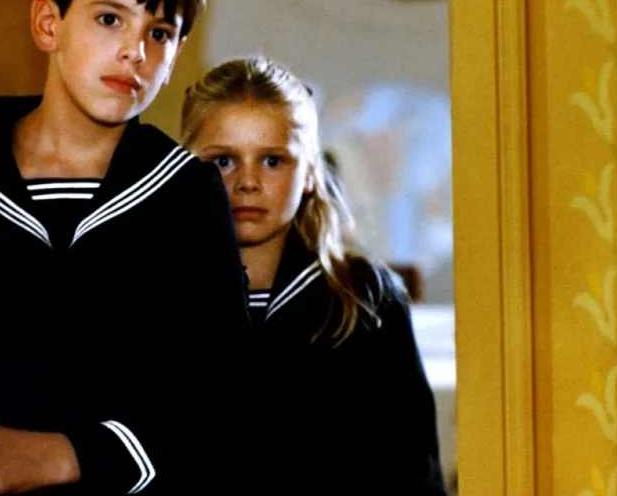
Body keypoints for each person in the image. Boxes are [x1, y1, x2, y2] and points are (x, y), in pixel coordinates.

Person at [0, 0, 249, 496]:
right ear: (49, 23)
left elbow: (220, 409)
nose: (135, 52)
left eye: (159, 33)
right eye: (110, 19)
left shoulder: (187, 197)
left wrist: (68, 454)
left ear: (176, 54)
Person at [181, 56, 447, 495]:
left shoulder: (366, 298)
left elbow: (413, 475)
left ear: (309, 172)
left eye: (272, 161)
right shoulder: (151, 293)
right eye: (223, 160)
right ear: (185, 167)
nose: (247, 181)